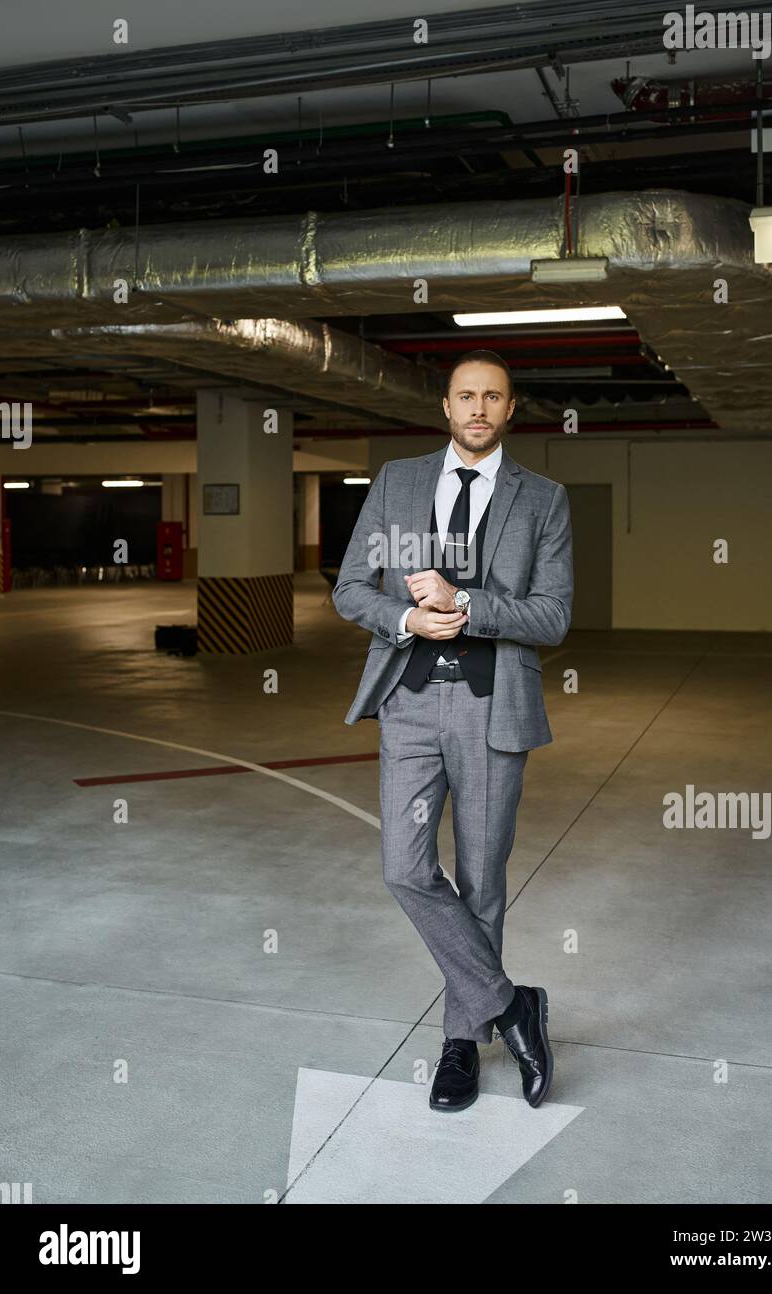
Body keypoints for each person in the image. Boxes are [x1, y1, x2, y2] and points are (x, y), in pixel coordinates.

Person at [332, 349, 573, 1112]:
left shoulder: (543, 500)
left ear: (510, 410)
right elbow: (349, 588)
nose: (477, 408)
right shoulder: (399, 482)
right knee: (405, 869)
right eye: (465, 395)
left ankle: (460, 1045)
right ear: (445, 406)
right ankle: (510, 1004)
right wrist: (405, 617)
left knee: (482, 881)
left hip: (491, 707)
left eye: (492, 397)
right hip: (408, 701)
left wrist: (468, 603)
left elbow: (553, 616)